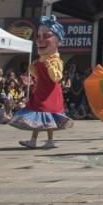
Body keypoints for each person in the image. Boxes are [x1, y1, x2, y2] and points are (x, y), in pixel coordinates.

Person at [11, 15, 73, 148]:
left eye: (46, 36)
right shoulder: (41, 60)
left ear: (58, 40)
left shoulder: (56, 61)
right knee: (38, 115)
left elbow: (56, 77)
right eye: (39, 36)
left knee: (48, 114)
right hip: (41, 90)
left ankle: (50, 140)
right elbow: (37, 75)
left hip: (50, 91)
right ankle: (34, 140)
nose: (40, 40)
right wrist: (33, 68)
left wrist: (49, 66)